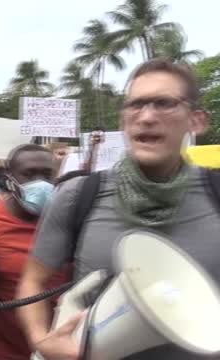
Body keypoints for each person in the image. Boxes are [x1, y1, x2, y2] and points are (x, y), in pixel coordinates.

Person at [16, 59, 215, 360]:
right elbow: (32, 282)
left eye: (164, 103)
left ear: (197, 120)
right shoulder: (78, 196)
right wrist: (41, 341)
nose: (146, 117)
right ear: (123, 120)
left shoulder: (216, 193)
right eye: (135, 105)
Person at [0, 145, 70, 360]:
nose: (40, 182)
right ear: (9, 178)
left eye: (47, 175)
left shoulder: (72, 223)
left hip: (59, 353)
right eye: (29, 174)